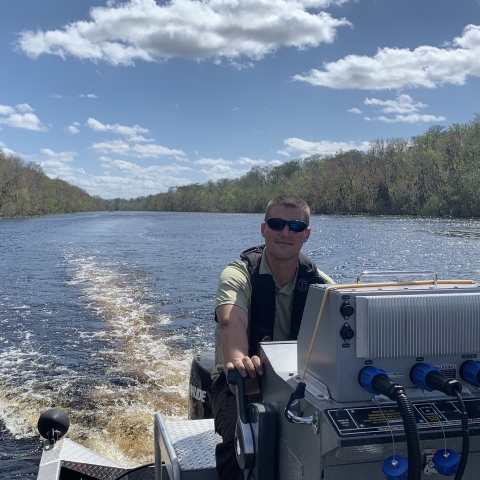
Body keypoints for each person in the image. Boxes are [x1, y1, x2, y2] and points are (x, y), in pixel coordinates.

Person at [207, 194, 334, 480]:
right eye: (277, 224)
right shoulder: (237, 274)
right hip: (236, 384)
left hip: (297, 384)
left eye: (296, 227)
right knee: (246, 442)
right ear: (264, 230)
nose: (286, 232)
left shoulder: (322, 287)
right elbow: (231, 320)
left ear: (307, 235)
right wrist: (238, 360)